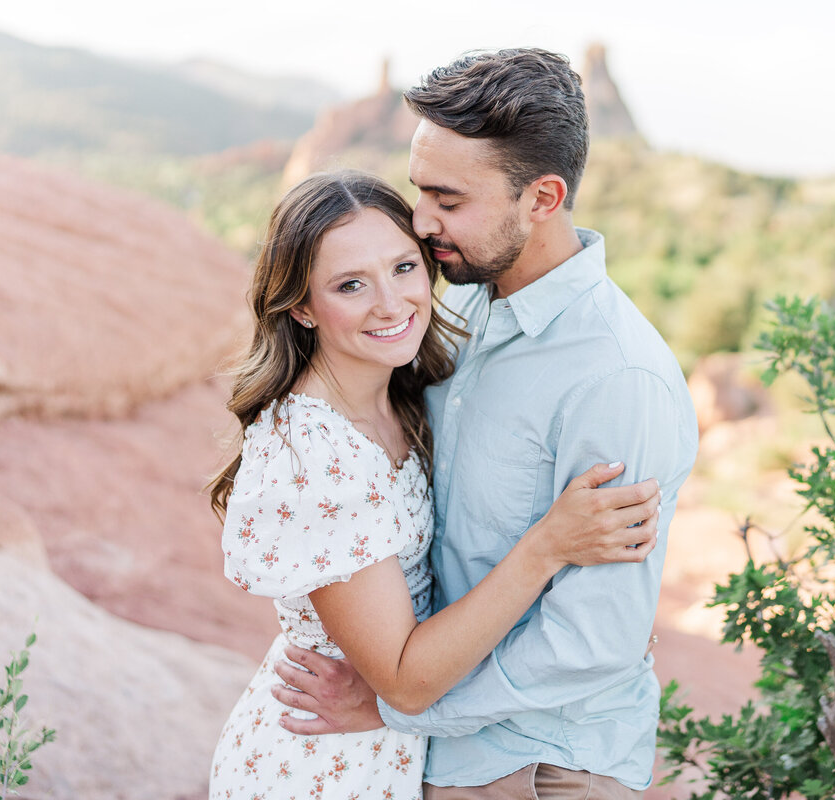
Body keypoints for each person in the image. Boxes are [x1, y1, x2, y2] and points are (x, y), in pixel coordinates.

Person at [270, 49, 700, 798]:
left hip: (543, 764)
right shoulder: (457, 304)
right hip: (435, 748)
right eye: (418, 192)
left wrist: (397, 708)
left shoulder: (616, 380)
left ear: (542, 198)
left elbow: (592, 640)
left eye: (448, 199)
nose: (422, 222)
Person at [206, 170, 664, 800]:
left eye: (402, 268)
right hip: (325, 762)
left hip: (398, 750)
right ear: (302, 307)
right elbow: (404, 680)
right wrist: (548, 547)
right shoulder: (315, 457)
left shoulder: (399, 392)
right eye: (349, 285)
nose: (390, 304)